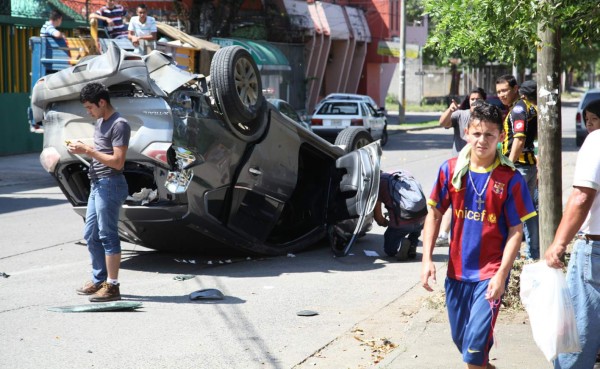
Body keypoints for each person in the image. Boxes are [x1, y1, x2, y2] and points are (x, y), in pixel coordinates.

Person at [421, 102, 536, 369]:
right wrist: (427, 259)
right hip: (456, 275)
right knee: (464, 345)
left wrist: (501, 275)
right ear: (466, 133)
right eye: (476, 133)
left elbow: (516, 231)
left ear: (501, 137)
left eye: (489, 135)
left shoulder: (510, 179)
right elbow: (435, 214)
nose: (482, 140)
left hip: (489, 276)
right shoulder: (449, 171)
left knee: (472, 357)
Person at [544, 101, 600, 369]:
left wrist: (559, 243)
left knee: (576, 340)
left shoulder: (596, 141)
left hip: (596, 250)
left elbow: (581, 197)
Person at [67, 82, 130, 302]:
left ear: (101, 102)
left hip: (110, 183)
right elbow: (102, 148)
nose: (88, 112)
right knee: (91, 235)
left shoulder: (120, 124)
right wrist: (80, 146)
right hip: (97, 185)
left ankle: (112, 286)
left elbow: (117, 161)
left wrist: (88, 150)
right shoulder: (101, 121)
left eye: (90, 107)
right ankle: (99, 280)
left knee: (107, 236)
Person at [496, 75, 539, 260]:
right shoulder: (527, 107)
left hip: (520, 168)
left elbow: (519, 139)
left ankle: (515, 256)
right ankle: (532, 254)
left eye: (505, 90)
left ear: (516, 89)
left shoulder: (519, 109)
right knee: (528, 212)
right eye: (498, 92)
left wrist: (509, 167)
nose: (501, 95)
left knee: (512, 213)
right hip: (528, 167)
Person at [436, 88, 486, 247]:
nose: (475, 102)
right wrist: (450, 110)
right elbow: (442, 122)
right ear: (468, 101)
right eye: (472, 99)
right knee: (453, 200)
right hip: (459, 165)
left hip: (481, 166)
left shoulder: (488, 117)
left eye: (478, 99)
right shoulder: (461, 115)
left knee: (477, 202)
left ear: (484, 101)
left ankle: (474, 236)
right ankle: (444, 235)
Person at [374, 171, 426, 261]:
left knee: (389, 250)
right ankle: (412, 244)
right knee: (415, 228)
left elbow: (379, 219)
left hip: (401, 223)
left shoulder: (377, 185)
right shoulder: (404, 174)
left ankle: (403, 244)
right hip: (421, 218)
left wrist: (386, 222)